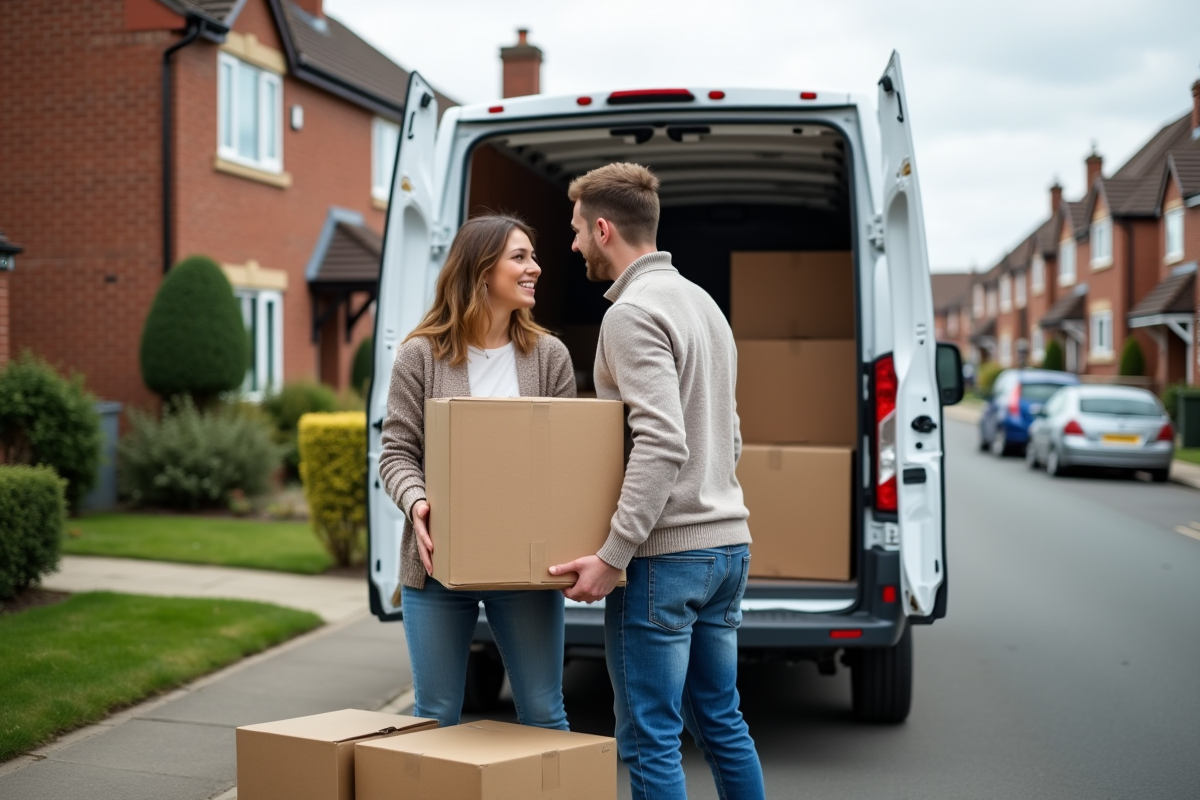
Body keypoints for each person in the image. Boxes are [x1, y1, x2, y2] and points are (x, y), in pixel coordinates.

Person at [549, 164, 766, 800]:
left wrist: (614, 555)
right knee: (722, 721)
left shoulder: (631, 314)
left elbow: (663, 441)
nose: (573, 245)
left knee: (649, 737)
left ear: (604, 227)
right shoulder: (703, 304)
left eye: (576, 231)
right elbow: (728, 433)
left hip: (666, 557)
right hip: (728, 546)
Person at [379, 213, 576, 730]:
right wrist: (417, 501)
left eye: (532, 256)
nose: (535, 267)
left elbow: (567, 460)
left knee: (542, 710)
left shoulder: (549, 355)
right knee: (436, 715)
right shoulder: (420, 355)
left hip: (526, 564)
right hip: (441, 560)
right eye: (520, 257)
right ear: (481, 269)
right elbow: (396, 452)